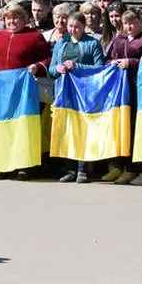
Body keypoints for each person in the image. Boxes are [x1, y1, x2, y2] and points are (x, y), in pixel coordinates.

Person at [0, 2, 52, 180]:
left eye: (16, 18)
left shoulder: (34, 37)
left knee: (22, 128)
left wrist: (37, 66)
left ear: (24, 19)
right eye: (8, 18)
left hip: (23, 92)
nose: (12, 21)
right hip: (0, 92)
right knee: (2, 127)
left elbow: (48, 57)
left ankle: (24, 166)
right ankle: (2, 165)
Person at [48, 13, 105, 183]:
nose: (73, 30)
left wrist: (77, 66)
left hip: (84, 93)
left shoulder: (92, 43)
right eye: (71, 26)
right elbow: (51, 68)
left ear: (84, 26)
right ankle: (70, 168)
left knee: (83, 129)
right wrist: (57, 69)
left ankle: (83, 169)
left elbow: (99, 67)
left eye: (77, 27)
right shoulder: (61, 43)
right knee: (67, 130)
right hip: (64, 93)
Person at [105, 10, 142, 185]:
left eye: (132, 22)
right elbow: (108, 59)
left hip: (138, 89)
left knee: (139, 128)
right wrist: (111, 63)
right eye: (126, 23)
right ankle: (127, 168)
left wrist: (131, 63)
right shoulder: (119, 39)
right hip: (122, 91)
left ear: (141, 21)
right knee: (125, 128)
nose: (129, 27)